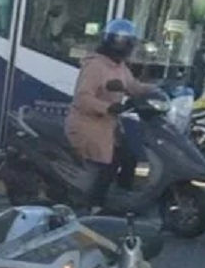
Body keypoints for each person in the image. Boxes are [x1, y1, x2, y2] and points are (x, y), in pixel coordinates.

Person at [65, 19, 161, 210]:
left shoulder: (119, 67)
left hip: (108, 125)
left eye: (127, 42)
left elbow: (133, 87)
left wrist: (157, 90)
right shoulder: (95, 66)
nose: (123, 46)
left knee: (130, 156)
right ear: (109, 41)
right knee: (108, 164)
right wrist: (107, 107)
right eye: (119, 41)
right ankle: (95, 206)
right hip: (87, 124)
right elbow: (83, 98)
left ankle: (122, 201)